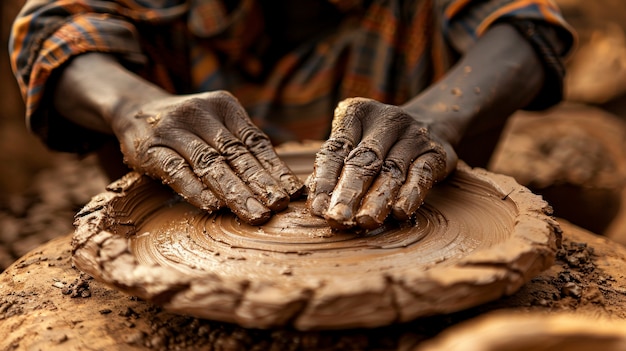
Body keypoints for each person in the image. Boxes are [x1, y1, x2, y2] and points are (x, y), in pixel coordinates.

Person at [9, 0, 575, 231]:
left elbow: (527, 24)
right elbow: (48, 24)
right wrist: (134, 107)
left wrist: (437, 118)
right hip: (179, 247)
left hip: (417, 238)